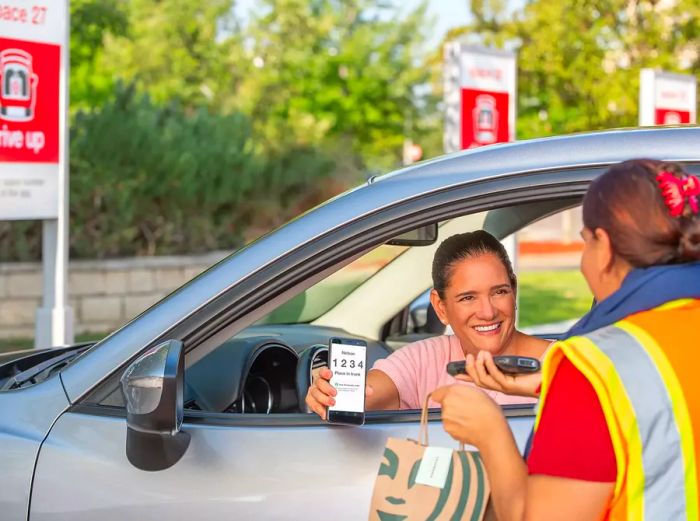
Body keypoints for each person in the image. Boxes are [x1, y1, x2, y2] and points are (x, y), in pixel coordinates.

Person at [433, 159, 700, 520]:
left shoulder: (593, 370)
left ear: (603, 248)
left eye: (585, 244)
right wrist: (551, 387)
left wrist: (492, 433)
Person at [305, 230, 550, 419]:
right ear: (441, 307)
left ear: (514, 291)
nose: (487, 312)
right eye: (468, 298)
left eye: (499, 292)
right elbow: (371, 393)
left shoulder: (566, 362)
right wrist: (332, 395)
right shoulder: (425, 359)